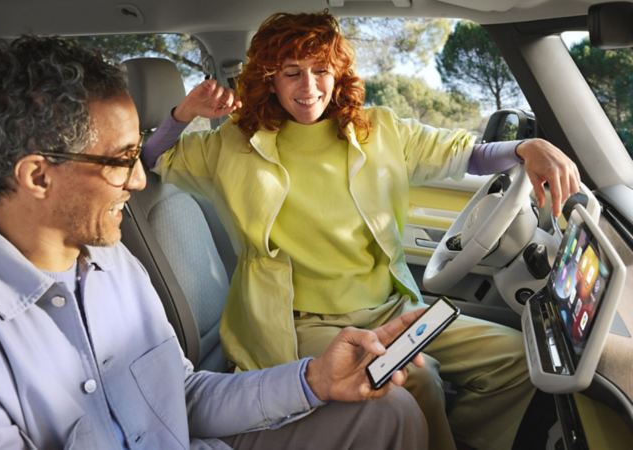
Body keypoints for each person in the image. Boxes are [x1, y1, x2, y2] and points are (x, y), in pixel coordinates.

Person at [0, 35, 430, 450]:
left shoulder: (110, 261)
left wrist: (312, 381)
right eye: (122, 161)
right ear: (38, 175)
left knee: (389, 414)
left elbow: (181, 397)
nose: (142, 179)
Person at [141, 11, 581, 450]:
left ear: (338, 74)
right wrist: (181, 115)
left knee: (520, 359)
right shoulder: (233, 143)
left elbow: (470, 155)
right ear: (269, 79)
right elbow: (152, 161)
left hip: (390, 307)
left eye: (321, 71)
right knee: (418, 379)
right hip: (301, 321)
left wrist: (529, 146)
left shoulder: (379, 129)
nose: (309, 87)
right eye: (292, 73)